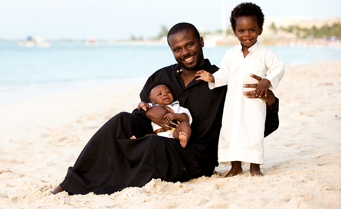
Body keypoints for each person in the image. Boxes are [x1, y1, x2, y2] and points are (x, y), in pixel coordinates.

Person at [51, 22, 280, 195]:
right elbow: (141, 111)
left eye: (189, 44)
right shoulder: (162, 76)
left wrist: (268, 99)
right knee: (122, 120)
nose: (185, 52)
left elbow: (257, 122)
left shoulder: (222, 79)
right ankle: (72, 181)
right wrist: (147, 111)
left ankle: (105, 183)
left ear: (200, 41)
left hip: (196, 155)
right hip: (157, 137)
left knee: (152, 145)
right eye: (177, 49)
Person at [196, 2, 284, 177]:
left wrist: (266, 81)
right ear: (235, 30)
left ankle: (255, 167)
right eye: (241, 30)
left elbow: (279, 68)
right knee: (231, 131)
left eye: (252, 30)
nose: (247, 35)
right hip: (233, 102)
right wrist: (212, 78)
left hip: (254, 103)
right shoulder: (230, 54)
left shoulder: (265, 54)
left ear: (260, 29)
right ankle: (235, 167)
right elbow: (225, 74)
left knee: (254, 132)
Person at [137, 83, 192, 148]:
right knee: (147, 137)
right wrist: (141, 104)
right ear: (152, 101)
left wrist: (175, 116)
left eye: (168, 92)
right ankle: (137, 141)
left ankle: (184, 139)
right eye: (159, 94)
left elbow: (186, 118)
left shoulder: (177, 106)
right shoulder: (152, 106)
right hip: (159, 135)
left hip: (176, 133)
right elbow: (140, 107)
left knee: (185, 124)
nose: (165, 94)